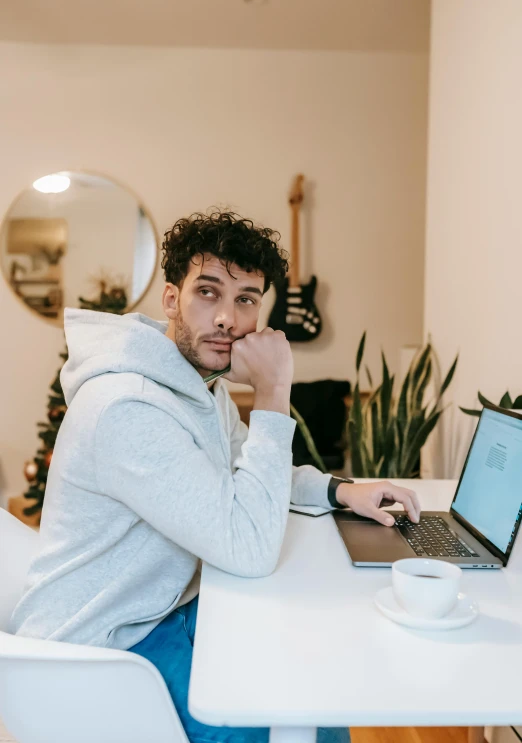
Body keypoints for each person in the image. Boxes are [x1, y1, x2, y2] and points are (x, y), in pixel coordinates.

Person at [12, 211, 420, 743]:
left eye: (246, 299)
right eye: (209, 292)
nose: (228, 317)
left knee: (317, 692)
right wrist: (273, 394)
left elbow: (248, 470)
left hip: (164, 606)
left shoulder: (198, 383)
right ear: (171, 299)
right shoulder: (128, 408)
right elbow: (249, 548)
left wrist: (341, 489)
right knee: (291, 722)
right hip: (105, 648)